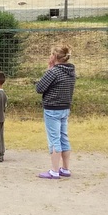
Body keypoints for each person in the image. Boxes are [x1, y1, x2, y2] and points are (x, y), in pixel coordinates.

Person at [36, 44, 76, 179]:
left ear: (54, 56)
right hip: (65, 107)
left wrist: (49, 69)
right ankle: (65, 168)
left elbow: (39, 88)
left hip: (52, 109)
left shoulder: (53, 72)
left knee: (54, 140)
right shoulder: (71, 71)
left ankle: (54, 171)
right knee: (64, 137)